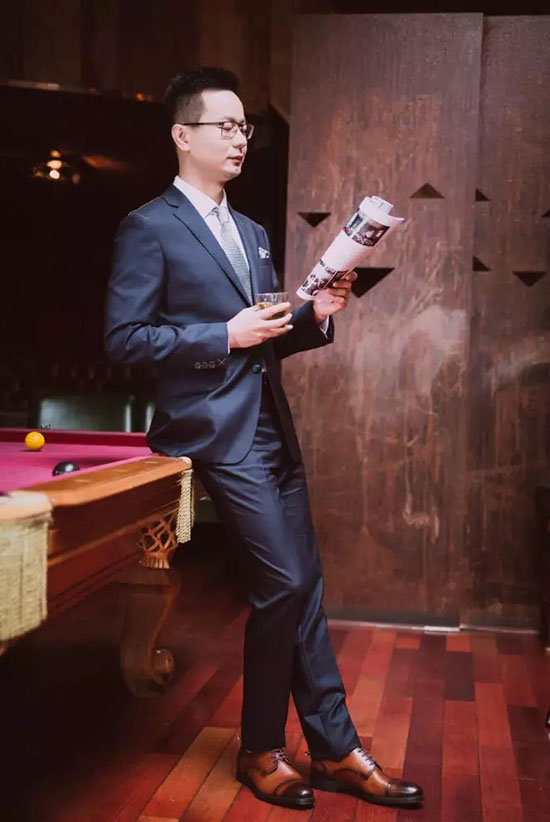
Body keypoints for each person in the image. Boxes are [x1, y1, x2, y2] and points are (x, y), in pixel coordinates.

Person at [105, 67, 423, 811]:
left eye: (245, 126)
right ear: (183, 136)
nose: (240, 137)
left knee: (304, 585)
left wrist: (316, 315)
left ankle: (335, 750)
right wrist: (224, 333)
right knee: (281, 584)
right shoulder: (148, 227)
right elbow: (124, 339)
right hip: (215, 432)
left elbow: (267, 339)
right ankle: (259, 749)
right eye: (225, 126)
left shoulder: (250, 233)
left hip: (272, 425)